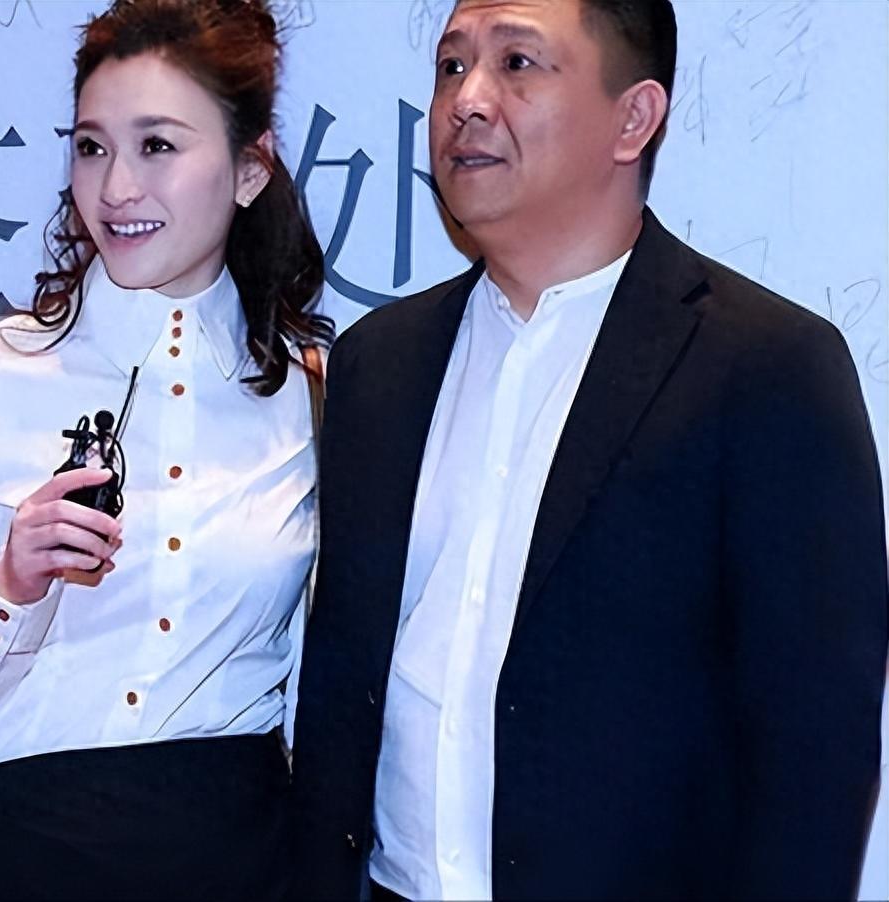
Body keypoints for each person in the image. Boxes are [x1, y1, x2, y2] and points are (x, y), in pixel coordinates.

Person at [290, 0, 889, 899]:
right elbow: (340, 688)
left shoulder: (767, 367)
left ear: (634, 118)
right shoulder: (379, 361)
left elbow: (815, 756)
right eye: (452, 66)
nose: (466, 101)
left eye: (517, 64)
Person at [0, 1, 340, 898]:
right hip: (6, 862)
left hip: (233, 863)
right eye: (92, 147)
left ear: (251, 170)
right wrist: (11, 583)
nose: (116, 187)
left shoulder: (311, 398)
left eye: (157, 145)